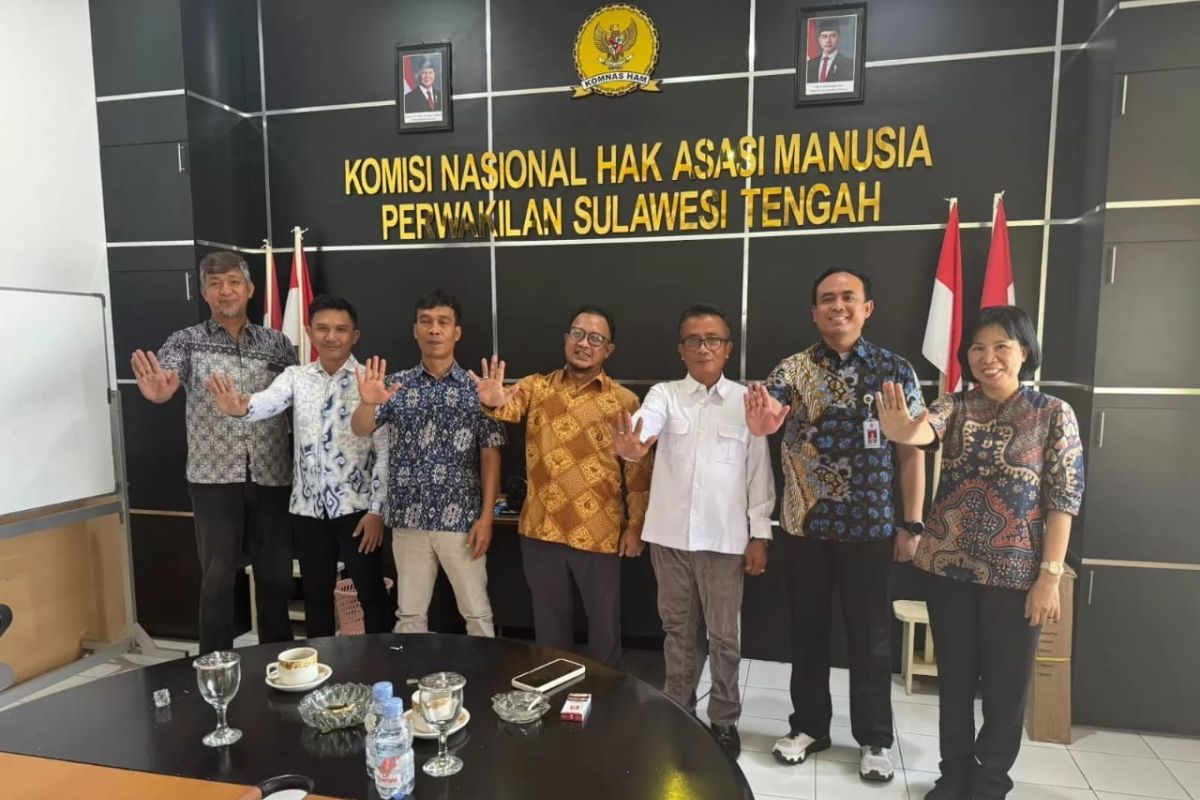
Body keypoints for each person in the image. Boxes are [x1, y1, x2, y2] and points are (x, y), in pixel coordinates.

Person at [875, 306, 1085, 800]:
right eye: (977, 348)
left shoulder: (1052, 413)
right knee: (953, 685)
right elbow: (924, 430)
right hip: (947, 570)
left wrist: (1050, 577)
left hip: (1017, 577)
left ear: (1023, 352)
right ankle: (953, 776)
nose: (987, 358)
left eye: (1000, 347)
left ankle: (990, 783)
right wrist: (903, 430)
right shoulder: (955, 406)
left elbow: (1064, 498)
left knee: (1005, 692)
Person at [744, 268, 925, 783]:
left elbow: (912, 450)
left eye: (848, 297)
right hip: (805, 529)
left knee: (871, 640)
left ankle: (874, 738)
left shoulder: (894, 369)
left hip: (871, 529)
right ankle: (809, 726)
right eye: (827, 299)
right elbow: (769, 414)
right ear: (814, 312)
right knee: (807, 634)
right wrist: (762, 423)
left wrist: (912, 523)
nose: (837, 306)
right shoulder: (793, 369)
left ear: (867, 308)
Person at [611, 303, 774, 758]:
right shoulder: (665, 395)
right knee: (677, 631)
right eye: (693, 341)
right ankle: (678, 712)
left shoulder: (747, 402)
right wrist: (632, 445)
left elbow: (759, 473)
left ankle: (724, 720)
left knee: (724, 638)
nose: (703, 348)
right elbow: (644, 429)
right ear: (681, 349)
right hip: (670, 540)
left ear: (728, 348)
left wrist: (759, 534)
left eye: (712, 340)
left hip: (724, 541)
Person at [130, 251, 296, 654]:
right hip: (213, 478)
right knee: (218, 579)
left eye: (234, 282)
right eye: (215, 284)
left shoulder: (277, 344)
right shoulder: (186, 341)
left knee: (275, 576)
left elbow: (295, 397)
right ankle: (214, 666)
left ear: (250, 289)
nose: (226, 291)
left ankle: (279, 661)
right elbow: (166, 379)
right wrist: (160, 391)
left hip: (272, 474)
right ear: (204, 293)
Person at [470, 305, 650, 668]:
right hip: (541, 528)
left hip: (599, 531)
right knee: (549, 627)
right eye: (578, 334)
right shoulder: (536, 387)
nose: (584, 344)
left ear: (609, 349)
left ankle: (608, 692)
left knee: (604, 627)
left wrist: (636, 527)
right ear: (566, 339)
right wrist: (492, 402)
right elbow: (508, 407)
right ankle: (554, 688)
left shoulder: (625, 402)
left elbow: (638, 473)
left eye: (595, 338)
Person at [205, 295, 391, 638]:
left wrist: (377, 511)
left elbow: (385, 453)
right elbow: (269, 401)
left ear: (355, 336)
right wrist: (241, 408)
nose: (331, 337)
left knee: (371, 594)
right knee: (316, 597)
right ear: (309, 332)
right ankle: (322, 666)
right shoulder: (295, 376)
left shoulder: (372, 380)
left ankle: (381, 663)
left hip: (359, 512)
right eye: (322, 328)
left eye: (341, 329)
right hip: (308, 511)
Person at [350, 291, 505, 637]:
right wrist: (368, 404)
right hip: (408, 519)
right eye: (426, 321)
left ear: (456, 332)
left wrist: (486, 518)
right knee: (409, 615)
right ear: (415, 330)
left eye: (443, 322)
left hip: (461, 520)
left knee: (477, 613)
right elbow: (360, 428)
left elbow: (491, 454)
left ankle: (484, 671)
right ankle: (411, 672)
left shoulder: (478, 389)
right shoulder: (395, 385)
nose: (434, 329)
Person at [805, 18, 855, 84]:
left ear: (839, 38)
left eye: (832, 36)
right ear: (819, 40)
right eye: (824, 36)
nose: (828, 41)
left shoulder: (849, 64)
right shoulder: (809, 65)